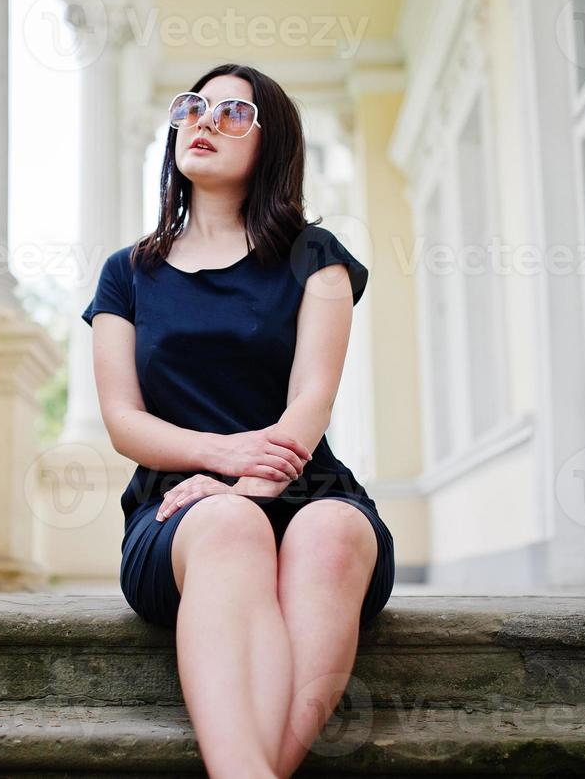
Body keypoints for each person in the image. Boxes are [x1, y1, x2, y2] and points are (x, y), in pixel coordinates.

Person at [81, 63, 396, 779]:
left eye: (232, 114)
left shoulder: (315, 259)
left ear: (270, 145)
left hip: (301, 486)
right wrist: (219, 471)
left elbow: (309, 403)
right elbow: (124, 422)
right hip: (182, 516)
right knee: (227, 527)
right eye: (193, 107)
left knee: (332, 529)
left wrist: (243, 484)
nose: (202, 121)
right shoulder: (126, 272)